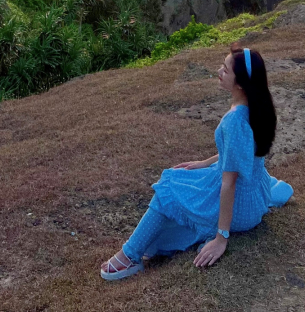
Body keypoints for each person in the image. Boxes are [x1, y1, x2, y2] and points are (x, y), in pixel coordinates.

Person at [100, 44, 293, 280]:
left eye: (225, 69)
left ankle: (130, 256)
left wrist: (221, 237)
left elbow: (229, 184)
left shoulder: (235, 120)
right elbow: (237, 153)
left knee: (167, 188)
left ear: (240, 83)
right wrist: (204, 162)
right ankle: (149, 246)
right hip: (256, 193)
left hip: (239, 207)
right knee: (182, 180)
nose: (219, 71)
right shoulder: (257, 107)